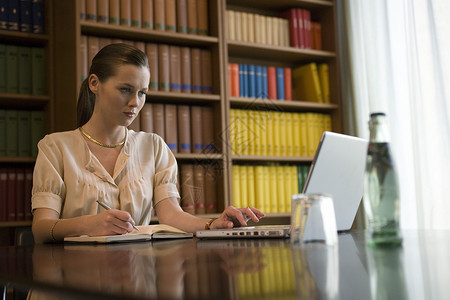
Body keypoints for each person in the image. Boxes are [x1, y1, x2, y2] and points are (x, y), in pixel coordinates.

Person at [31, 43, 264, 243]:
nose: (135, 102)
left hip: (135, 273)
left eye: (142, 92)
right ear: (94, 83)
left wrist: (212, 224)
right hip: (70, 277)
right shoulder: (55, 147)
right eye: (125, 89)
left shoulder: (154, 147)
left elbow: (171, 215)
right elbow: (41, 228)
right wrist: (88, 225)